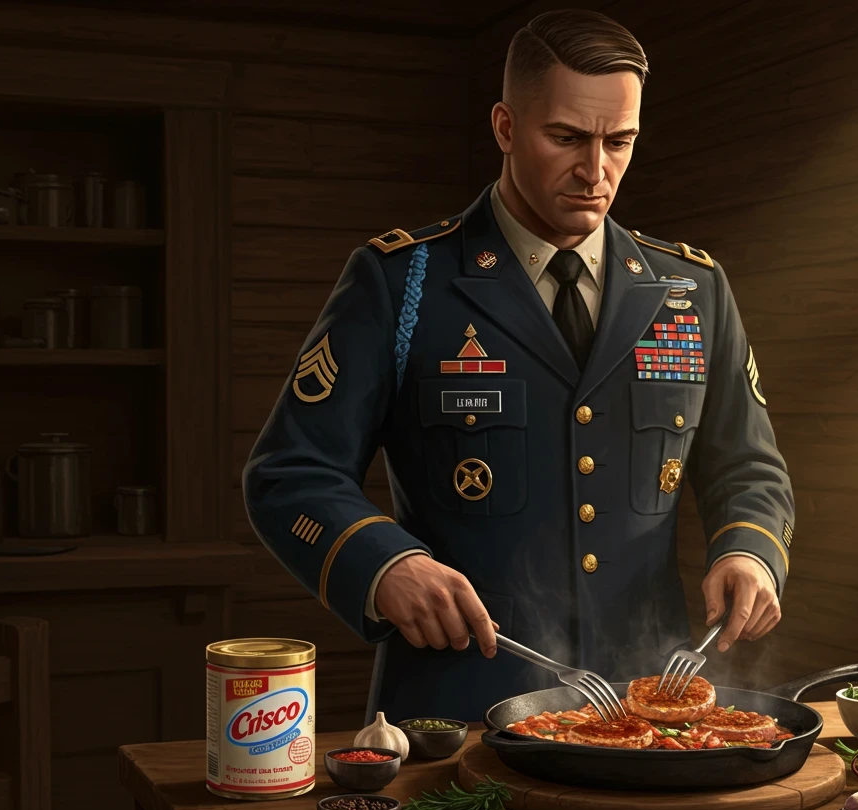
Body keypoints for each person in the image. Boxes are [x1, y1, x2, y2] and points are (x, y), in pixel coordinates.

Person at [243, 9, 795, 724]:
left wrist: (750, 554)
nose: (596, 171)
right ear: (505, 127)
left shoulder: (693, 291)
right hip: (458, 713)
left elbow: (748, 469)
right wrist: (384, 565)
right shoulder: (402, 282)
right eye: (566, 137)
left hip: (649, 711)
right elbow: (290, 474)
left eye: (619, 141)